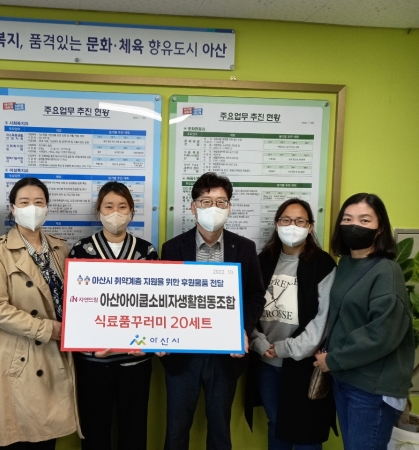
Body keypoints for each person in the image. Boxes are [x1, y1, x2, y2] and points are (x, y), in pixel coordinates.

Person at [160, 172, 265, 450]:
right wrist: (159, 334)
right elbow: (163, 297)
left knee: (220, 430)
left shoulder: (245, 248)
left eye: (221, 202)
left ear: (229, 207)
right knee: (176, 430)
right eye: (206, 202)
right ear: (193, 207)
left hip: (225, 356)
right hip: (182, 355)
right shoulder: (172, 248)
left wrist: (242, 330)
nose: (213, 208)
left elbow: (255, 296)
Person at [0, 177, 81, 449]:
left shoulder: (60, 248)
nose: (32, 208)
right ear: (13, 209)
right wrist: (47, 329)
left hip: (54, 356)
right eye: (24, 202)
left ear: (47, 207)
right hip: (19, 356)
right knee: (19, 437)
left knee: (46, 439)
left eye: (39, 202)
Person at [314, 193, 414, 450]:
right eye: (347, 219)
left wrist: (333, 360)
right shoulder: (346, 264)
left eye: (365, 220)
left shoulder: (386, 271)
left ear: (380, 228)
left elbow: (382, 334)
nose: (354, 225)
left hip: (372, 388)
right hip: (345, 378)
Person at [68, 181, 158, 450]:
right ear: (99, 211)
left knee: (134, 432)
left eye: (122, 206)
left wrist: (148, 343)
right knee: (95, 432)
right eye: (108, 206)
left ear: (131, 212)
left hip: (136, 360)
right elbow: (74, 308)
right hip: (94, 362)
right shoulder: (81, 250)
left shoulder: (146, 251)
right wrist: (90, 346)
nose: (115, 213)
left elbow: (157, 305)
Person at [245, 198, 337, 449]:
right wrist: (259, 343)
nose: (292, 226)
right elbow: (248, 306)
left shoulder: (323, 264)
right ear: (277, 224)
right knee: (276, 425)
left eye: (299, 221)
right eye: (286, 220)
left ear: (310, 226)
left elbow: (324, 319)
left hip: (304, 363)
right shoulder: (262, 261)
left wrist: (287, 348)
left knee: (307, 430)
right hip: (266, 362)